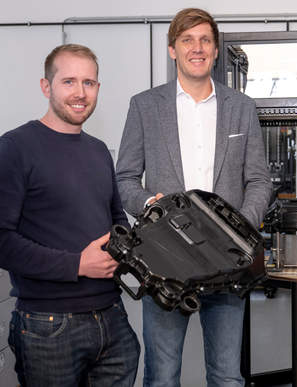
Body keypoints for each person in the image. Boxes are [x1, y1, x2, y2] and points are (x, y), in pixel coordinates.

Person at [115, 7, 272, 387]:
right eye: (187, 40)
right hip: (165, 260)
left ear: (216, 50)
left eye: (205, 40)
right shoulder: (145, 106)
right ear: (173, 50)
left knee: (226, 375)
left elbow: (259, 180)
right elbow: (124, 178)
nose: (196, 48)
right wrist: (149, 207)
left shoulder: (241, 107)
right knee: (163, 375)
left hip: (227, 262)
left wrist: (236, 229)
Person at [0, 44, 139, 386]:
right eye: (69, 82)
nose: (80, 93)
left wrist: (128, 249)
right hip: (48, 324)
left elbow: (116, 220)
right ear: (46, 86)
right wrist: (77, 264)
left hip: (112, 318)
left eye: (89, 83)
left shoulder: (98, 152)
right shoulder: (13, 149)